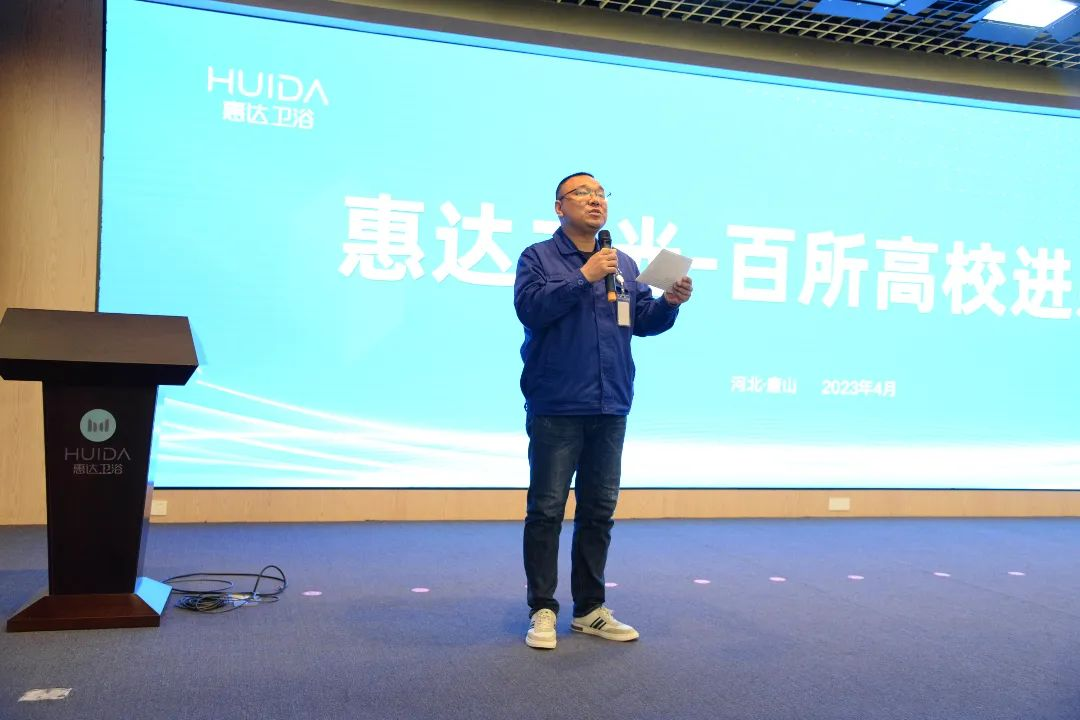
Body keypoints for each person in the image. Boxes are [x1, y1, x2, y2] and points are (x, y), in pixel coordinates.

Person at [513, 172, 693, 650]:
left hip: (611, 402)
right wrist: (583, 277)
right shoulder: (538, 257)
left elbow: (640, 322)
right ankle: (542, 609)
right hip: (557, 403)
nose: (595, 200)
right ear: (559, 207)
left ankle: (589, 609)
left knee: (598, 511)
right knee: (547, 510)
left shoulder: (624, 263)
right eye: (582, 193)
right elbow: (531, 310)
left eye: (600, 194)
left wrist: (669, 303)